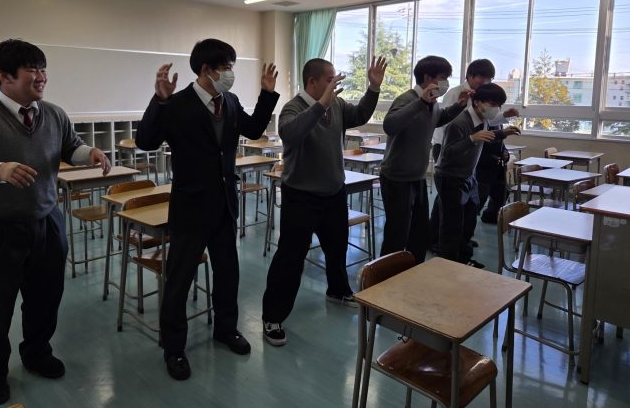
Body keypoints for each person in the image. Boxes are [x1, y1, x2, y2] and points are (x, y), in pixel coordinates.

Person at [0, 39, 111, 405]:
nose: (41, 76)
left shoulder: (54, 113)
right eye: (32, 69)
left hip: (47, 221)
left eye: (43, 69)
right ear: (3, 76)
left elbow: (69, 147)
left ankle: (37, 352)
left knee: (46, 297)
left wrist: (89, 152)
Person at [135, 38, 279, 380]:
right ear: (205, 69)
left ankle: (226, 329)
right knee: (179, 280)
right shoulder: (177, 104)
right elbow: (145, 141)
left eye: (231, 66)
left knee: (228, 273)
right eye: (225, 67)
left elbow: (253, 130)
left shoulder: (230, 100)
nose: (230, 73)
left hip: (224, 204)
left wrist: (267, 94)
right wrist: (159, 101)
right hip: (190, 206)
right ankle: (174, 348)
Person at [261, 56, 387, 347]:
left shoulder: (337, 105)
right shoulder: (293, 107)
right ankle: (272, 316)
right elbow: (290, 133)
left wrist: (374, 88)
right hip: (300, 196)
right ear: (312, 82)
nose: (335, 83)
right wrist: (320, 105)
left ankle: (337, 290)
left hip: (333, 192)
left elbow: (360, 114)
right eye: (330, 79)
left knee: (337, 247)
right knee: (290, 258)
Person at [378, 55, 469, 263]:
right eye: (442, 77)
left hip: (417, 177)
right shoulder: (407, 99)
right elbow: (390, 125)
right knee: (397, 235)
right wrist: (420, 102)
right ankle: (386, 277)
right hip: (397, 178)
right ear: (427, 77)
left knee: (419, 233)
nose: (445, 83)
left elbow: (438, 119)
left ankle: (414, 272)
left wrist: (459, 106)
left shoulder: (432, 103)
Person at [428, 60, 519, 252]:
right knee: (448, 207)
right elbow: (448, 125)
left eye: (489, 79)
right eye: (482, 77)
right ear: (470, 76)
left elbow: (486, 121)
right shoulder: (456, 96)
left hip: (466, 160)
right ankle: (439, 242)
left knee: (466, 211)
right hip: (445, 150)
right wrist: (470, 138)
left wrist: (503, 128)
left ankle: (461, 245)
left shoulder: (483, 104)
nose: (485, 81)